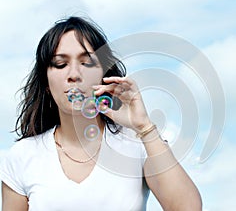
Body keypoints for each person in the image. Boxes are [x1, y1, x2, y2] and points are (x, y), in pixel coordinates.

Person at [0, 16, 202, 211]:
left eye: (87, 63)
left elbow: (188, 208)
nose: (74, 75)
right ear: (46, 83)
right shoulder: (23, 156)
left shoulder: (137, 144)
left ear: (104, 76)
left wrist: (144, 127)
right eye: (60, 64)